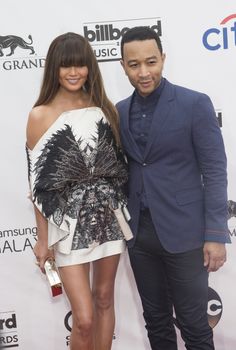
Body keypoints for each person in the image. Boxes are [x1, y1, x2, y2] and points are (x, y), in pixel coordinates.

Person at [116, 26, 231, 350]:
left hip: (186, 233)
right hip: (140, 236)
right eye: (134, 64)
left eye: (151, 62)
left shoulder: (194, 103)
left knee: (195, 325)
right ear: (123, 66)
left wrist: (215, 235)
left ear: (163, 59)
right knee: (156, 323)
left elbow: (214, 171)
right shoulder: (120, 111)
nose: (144, 72)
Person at [26, 32, 129, 350]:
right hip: (66, 226)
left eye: (81, 65)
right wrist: (43, 241)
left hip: (107, 220)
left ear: (90, 68)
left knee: (104, 300)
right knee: (83, 318)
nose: (74, 72)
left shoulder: (105, 108)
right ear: (54, 69)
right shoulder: (39, 114)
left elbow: (119, 167)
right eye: (66, 66)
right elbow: (39, 185)